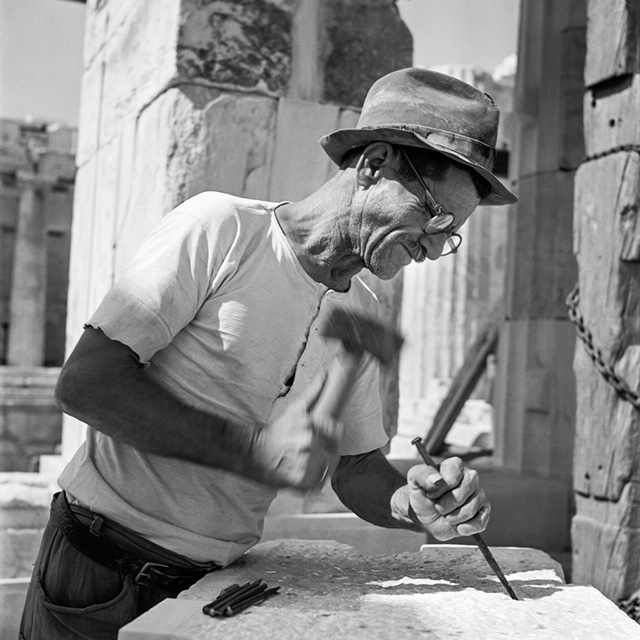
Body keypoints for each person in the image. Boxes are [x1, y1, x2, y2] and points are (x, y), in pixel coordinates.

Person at [20, 67, 517, 640]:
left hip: (215, 586)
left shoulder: (365, 312)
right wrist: (255, 452)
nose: (433, 248)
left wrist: (411, 501)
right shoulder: (221, 229)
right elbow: (86, 384)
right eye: (435, 217)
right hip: (97, 571)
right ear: (374, 164)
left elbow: (355, 466)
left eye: (450, 235)